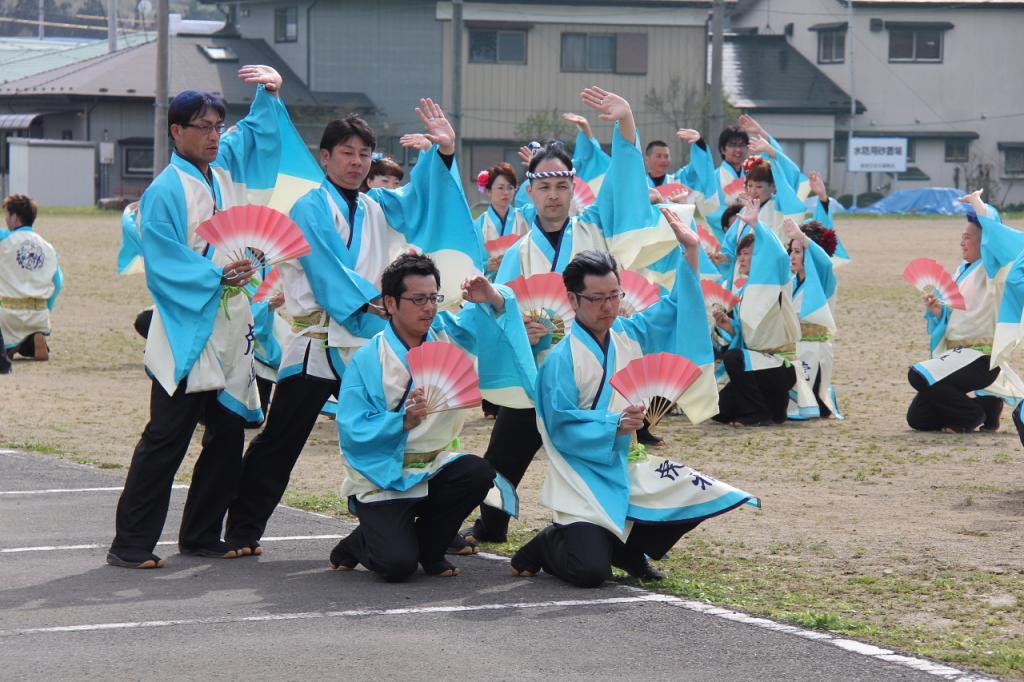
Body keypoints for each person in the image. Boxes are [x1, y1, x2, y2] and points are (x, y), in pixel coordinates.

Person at [223, 100, 486, 556]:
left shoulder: (377, 204)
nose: (356, 162)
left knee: (413, 428)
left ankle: (427, 526)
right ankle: (243, 530)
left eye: (364, 154)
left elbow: (422, 203)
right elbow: (326, 266)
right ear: (325, 157)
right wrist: (374, 302)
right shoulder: (309, 207)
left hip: (369, 342)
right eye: (346, 152)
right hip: (319, 341)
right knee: (283, 438)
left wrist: (443, 154)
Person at [460, 86, 692, 550]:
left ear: (573, 188)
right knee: (504, 453)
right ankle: (492, 524)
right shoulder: (519, 251)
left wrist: (625, 124)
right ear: (530, 191)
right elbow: (502, 302)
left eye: (561, 186)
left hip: (593, 368)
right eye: (544, 187)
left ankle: (618, 532)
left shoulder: (595, 228)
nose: (553, 195)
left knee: (603, 448)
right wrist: (517, 324)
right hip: (538, 368)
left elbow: (624, 185)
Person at [509, 215, 756, 587]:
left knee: (701, 493)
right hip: (582, 475)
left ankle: (628, 550)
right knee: (590, 573)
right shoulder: (561, 359)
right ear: (573, 299)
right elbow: (559, 427)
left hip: (627, 462)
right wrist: (614, 424)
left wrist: (690, 250)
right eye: (597, 299)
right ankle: (548, 543)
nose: (608, 306)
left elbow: (676, 308)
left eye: (614, 295)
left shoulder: (631, 333)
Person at [107, 65, 286, 569]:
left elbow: (257, 137)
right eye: (202, 127)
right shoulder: (165, 189)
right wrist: (216, 274)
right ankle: (130, 544)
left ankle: (202, 535)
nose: (213, 136)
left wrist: (269, 94)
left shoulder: (223, 167)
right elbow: (163, 260)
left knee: (226, 436)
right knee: (166, 439)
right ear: (176, 131)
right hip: (187, 327)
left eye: (217, 126)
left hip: (231, 326)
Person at [329, 253, 533, 581]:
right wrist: (401, 422)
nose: (429, 308)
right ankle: (360, 542)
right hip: (384, 473)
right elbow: (352, 430)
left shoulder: (446, 333)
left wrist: (492, 296)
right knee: (396, 567)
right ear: (390, 303)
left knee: (478, 473)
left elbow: (487, 323)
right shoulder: (369, 359)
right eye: (418, 299)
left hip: (433, 466)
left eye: (434, 298)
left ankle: (431, 549)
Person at [906, 190, 1022, 433]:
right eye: (962, 237)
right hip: (958, 354)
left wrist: (977, 203)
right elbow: (957, 315)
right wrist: (939, 311)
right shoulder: (962, 269)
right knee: (918, 418)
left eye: (968, 237)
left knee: (918, 376)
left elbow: (994, 230)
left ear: (985, 242)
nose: (962, 242)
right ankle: (987, 407)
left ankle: (970, 416)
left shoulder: (992, 268)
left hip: (979, 359)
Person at [711, 198, 801, 426]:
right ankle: (773, 406)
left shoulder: (778, 280)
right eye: (740, 253)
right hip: (756, 364)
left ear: (761, 256)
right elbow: (746, 334)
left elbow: (779, 255)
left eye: (747, 253)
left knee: (734, 358)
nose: (741, 258)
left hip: (779, 364)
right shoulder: (744, 291)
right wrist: (729, 326)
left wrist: (757, 225)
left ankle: (757, 412)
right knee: (719, 411)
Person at [783, 218, 841, 419]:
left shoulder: (824, 281)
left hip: (814, 352)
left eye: (798, 251)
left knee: (808, 403)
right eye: (791, 250)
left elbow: (825, 263)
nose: (792, 256)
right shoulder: (790, 282)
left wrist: (802, 237)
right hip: (791, 350)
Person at [1, 193, 62, 362]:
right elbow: (59, 283)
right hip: (38, 314)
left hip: (7, 314)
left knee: (7, 335)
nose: (5, 219)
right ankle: (33, 338)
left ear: (15, 217)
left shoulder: (4, 239)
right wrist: (47, 308)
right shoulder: (48, 247)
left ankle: (9, 347)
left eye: (7, 215)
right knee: (28, 334)